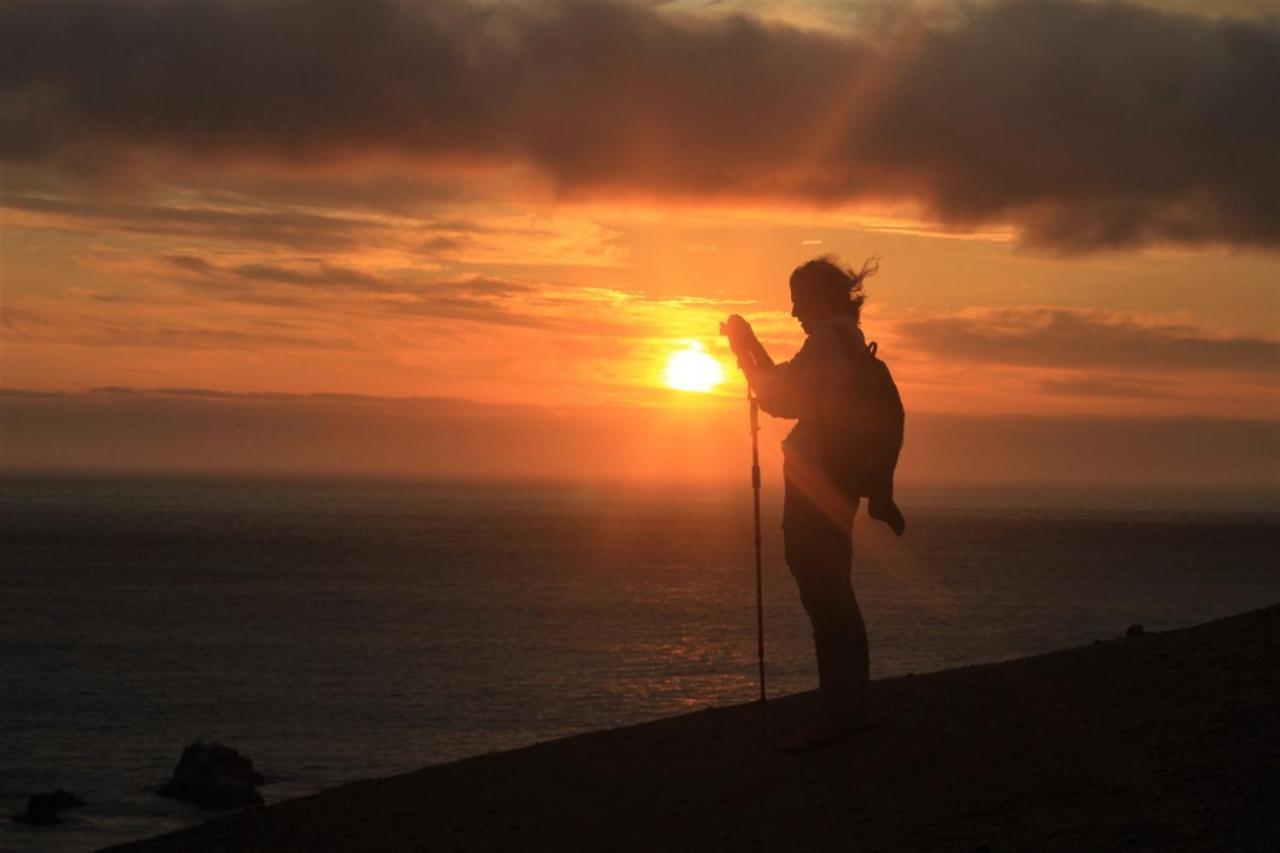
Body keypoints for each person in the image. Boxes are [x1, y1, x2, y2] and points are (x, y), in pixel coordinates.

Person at [723, 255, 884, 749]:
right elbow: (790, 395)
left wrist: (746, 347)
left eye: (797, 300)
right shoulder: (850, 343)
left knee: (824, 593)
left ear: (816, 299)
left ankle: (840, 719)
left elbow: (779, 399)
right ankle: (850, 709)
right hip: (839, 481)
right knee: (837, 590)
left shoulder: (828, 346)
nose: (793, 312)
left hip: (818, 483)